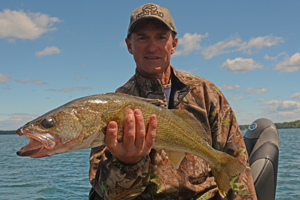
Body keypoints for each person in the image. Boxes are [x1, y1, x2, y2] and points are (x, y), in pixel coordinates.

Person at [89, 3, 257, 200]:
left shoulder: (206, 93)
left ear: (174, 44)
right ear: (129, 45)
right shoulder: (114, 105)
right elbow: (107, 192)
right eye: (142, 38)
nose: (152, 47)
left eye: (161, 37)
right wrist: (126, 163)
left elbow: (238, 168)